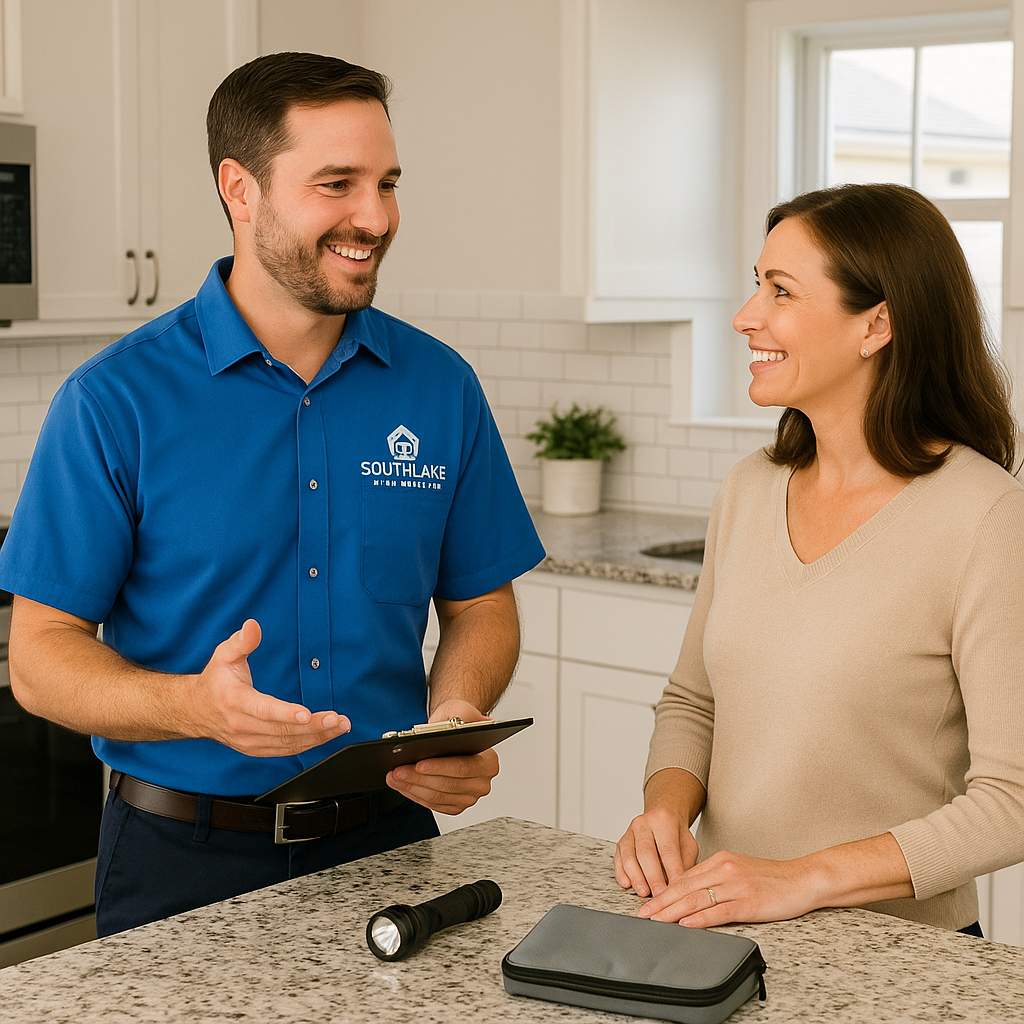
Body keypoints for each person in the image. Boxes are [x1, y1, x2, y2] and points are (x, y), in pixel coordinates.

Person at [0, 52, 545, 936]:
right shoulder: (115, 401)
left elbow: (482, 606)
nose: (374, 217)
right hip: (181, 864)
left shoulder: (440, 388)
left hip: (392, 850)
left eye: (388, 183)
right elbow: (39, 655)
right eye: (337, 184)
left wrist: (454, 716)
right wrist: (191, 706)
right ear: (240, 189)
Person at [614, 182, 1024, 935]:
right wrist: (665, 813)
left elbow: (1013, 801)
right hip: (723, 932)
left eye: (781, 291)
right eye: (755, 286)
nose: (746, 317)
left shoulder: (985, 515)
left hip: (899, 952)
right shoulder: (748, 488)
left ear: (877, 324)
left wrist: (805, 879)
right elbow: (693, 701)